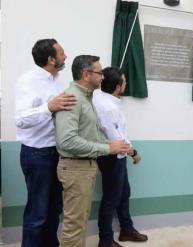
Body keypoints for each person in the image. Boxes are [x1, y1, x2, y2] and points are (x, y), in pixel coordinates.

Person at [54, 55, 131, 247]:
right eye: (99, 73)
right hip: (75, 167)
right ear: (86, 74)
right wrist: (107, 147)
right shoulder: (72, 98)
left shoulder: (86, 98)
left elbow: (89, 135)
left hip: (84, 166)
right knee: (74, 226)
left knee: (79, 222)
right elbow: (67, 141)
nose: (103, 77)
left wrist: (109, 145)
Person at [15, 38, 76, 247]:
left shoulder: (59, 79)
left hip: (58, 152)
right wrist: (48, 107)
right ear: (51, 59)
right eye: (62, 53)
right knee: (37, 212)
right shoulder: (28, 81)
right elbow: (21, 120)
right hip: (37, 154)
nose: (65, 56)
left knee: (55, 209)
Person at [92, 67, 148, 247]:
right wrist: (134, 153)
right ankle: (105, 240)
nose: (126, 83)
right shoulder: (108, 108)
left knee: (124, 194)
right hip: (112, 157)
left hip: (116, 156)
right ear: (118, 86)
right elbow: (116, 139)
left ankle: (126, 229)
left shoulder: (104, 98)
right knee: (111, 198)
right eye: (124, 81)